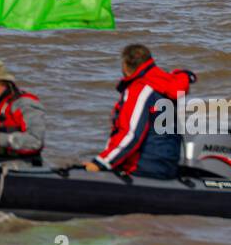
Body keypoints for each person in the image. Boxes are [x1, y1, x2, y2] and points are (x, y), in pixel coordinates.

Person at [83, 44, 195, 179]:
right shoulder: (164, 87)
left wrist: (100, 163)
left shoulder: (140, 89)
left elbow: (130, 134)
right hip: (166, 166)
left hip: (143, 167)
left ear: (125, 65)